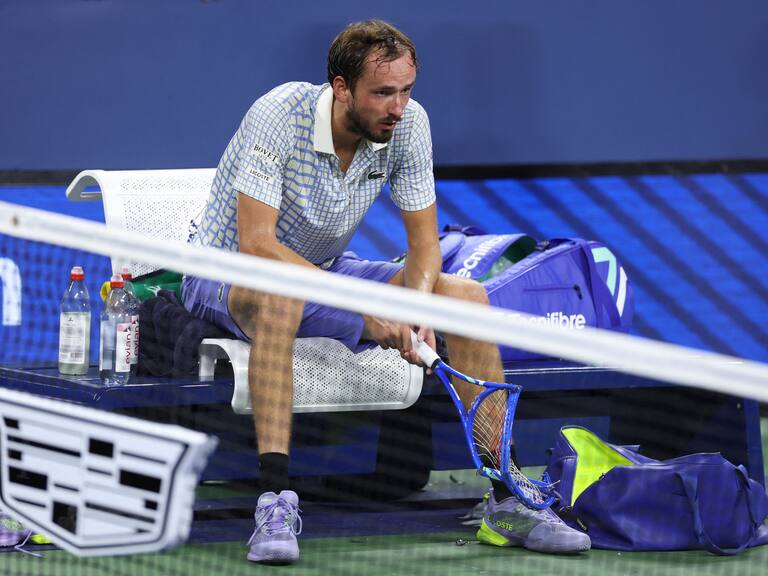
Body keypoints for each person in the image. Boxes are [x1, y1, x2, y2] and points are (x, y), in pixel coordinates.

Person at [184, 19, 590, 564]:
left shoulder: (408, 125)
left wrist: (415, 310)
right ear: (341, 86)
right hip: (227, 273)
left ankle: (504, 495)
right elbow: (257, 247)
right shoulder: (278, 116)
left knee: (465, 297)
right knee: (283, 297)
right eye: (382, 93)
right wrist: (363, 310)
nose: (397, 107)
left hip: (326, 267)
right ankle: (274, 501)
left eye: (406, 91)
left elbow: (424, 246)